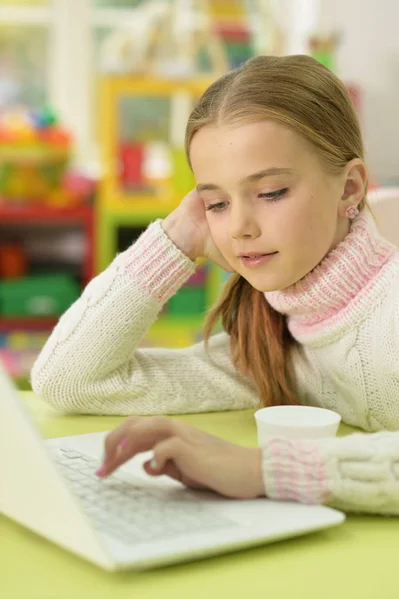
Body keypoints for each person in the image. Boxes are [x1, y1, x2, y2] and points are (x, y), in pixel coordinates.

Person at [31, 55, 399, 515]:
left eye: (269, 193)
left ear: (349, 189)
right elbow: (67, 380)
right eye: (217, 203)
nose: (241, 227)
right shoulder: (268, 349)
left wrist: (260, 469)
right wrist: (176, 238)